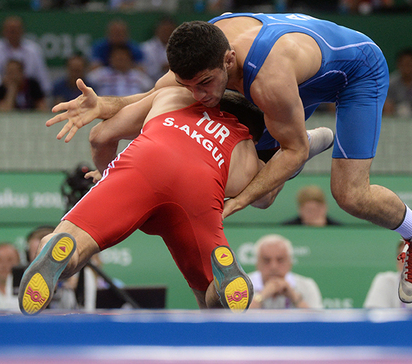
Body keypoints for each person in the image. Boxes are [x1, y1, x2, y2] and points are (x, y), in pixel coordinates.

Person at [46, 12, 412, 305]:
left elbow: (293, 152)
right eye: (189, 85)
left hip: (354, 72)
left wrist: (235, 202)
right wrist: (106, 105)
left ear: (228, 62)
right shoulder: (201, 54)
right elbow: (157, 97)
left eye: (206, 84)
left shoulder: (267, 80)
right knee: (264, 189)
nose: (198, 95)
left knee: (349, 194)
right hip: (293, 79)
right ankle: (308, 135)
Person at [19, 85, 288, 315]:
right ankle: (220, 286)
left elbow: (100, 136)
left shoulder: (172, 97)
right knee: (209, 297)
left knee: (74, 240)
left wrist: (110, 173)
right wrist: (298, 151)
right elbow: (266, 197)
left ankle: (60, 245)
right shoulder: (246, 155)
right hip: (196, 196)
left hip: (142, 168)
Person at [248, 234, 323, 309]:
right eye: (266, 261)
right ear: (257, 263)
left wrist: (294, 297)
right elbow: (238, 318)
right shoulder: (243, 286)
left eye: (280, 260)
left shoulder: (306, 285)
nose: (274, 267)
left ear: (290, 262)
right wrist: (261, 296)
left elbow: (316, 319)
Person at [0, 16, 51, 97]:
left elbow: (42, 76)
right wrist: (0, 90)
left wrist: (44, 93)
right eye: (10, 30)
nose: (13, 32)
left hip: (28, 91)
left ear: (22, 30)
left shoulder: (33, 49)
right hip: (2, 91)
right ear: (3, 31)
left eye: (16, 29)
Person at [86, 45, 154, 96]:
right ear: (110, 59)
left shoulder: (138, 75)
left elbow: (152, 89)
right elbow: (84, 81)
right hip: (106, 109)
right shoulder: (101, 73)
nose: (120, 61)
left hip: (133, 110)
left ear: (130, 59)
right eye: (117, 58)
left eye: (123, 58)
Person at [139, 17, 178, 83]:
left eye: (169, 30)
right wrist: (161, 68)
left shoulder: (181, 48)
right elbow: (142, 71)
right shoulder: (146, 48)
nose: (166, 33)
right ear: (157, 30)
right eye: (164, 30)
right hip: (152, 85)